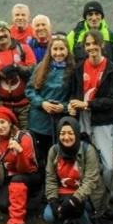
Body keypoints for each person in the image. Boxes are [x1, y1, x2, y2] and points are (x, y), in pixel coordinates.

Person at [68, 29, 113, 202]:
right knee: (83, 159)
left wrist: (87, 104)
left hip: (103, 120)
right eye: (87, 44)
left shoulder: (112, 69)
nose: (91, 47)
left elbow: (111, 100)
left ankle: (104, 199)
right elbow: (73, 92)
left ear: (101, 45)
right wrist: (72, 105)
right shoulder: (78, 68)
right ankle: (86, 199)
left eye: (94, 43)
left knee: (107, 165)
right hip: (82, 119)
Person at [44, 117, 101, 224]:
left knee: (73, 206)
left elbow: (90, 181)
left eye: (70, 133)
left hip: (85, 195)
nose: (66, 137)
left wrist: (73, 200)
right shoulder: (54, 151)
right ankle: (71, 218)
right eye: (62, 133)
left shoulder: (88, 150)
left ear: (76, 133)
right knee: (49, 216)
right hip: (62, 191)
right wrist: (53, 200)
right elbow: (50, 178)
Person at [25, 35, 73, 175]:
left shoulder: (73, 70)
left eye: (62, 49)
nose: (58, 53)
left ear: (67, 50)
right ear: (50, 51)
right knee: (41, 158)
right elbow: (29, 90)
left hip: (60, 123)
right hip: (39, 122)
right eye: (55, 49)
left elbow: (75, 96)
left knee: (58, 157)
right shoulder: (41, 67)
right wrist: (43, 103)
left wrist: (63, 107)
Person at [0, 20, 37, 130]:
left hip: (25, 105)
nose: (1, 34)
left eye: (3, 30)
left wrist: (18, 68)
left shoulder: (23, 49)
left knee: (26, 135)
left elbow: (34, 71)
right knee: (7, 138)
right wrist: (0, 74)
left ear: (9, 32)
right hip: (3, 106)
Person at [66, 0, 113, 65]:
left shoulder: (112, 37)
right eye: (90, 14)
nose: (94, 18)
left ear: (101, 16)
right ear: (85, 17)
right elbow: (66, 60)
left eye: (97, 14)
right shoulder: (74, 36)